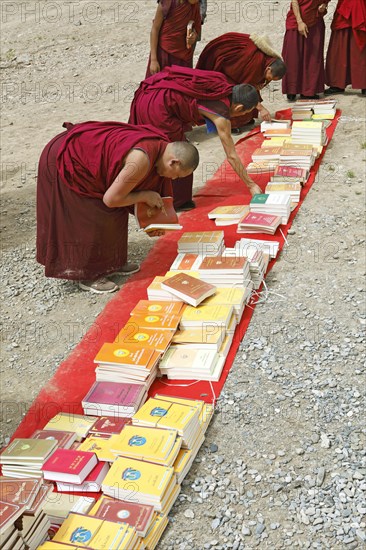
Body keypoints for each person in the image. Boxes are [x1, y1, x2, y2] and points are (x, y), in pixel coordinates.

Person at [36, 121, 199, 294]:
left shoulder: (161, 149)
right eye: (177, 175)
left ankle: (112, 263)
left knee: (115, 214)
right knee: (91, 214)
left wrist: (152, 221)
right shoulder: (141, 160)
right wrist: (145, 195)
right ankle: (88, 274)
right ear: (174, 162)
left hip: (87, 157)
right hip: (66, 159)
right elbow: (111, 199)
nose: (173, 179)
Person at [129, 65, 261, 210]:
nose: (240, 117)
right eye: (243, 113)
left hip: (152, 90)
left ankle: (178, 199)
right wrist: (251, 185)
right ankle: (170, 200)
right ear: (238, 108)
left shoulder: (221, 83)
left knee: (175, 149)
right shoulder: (221, 117)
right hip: (158, 107)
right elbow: (231, 155)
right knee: (172, 152)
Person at [196, 32, 286, 133]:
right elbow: (244, 85)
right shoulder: (255, 63)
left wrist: (257, 84)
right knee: (236, 92)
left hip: (236, 66)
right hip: (222, 63)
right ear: (269, 68)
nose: (268, 81)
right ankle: (232, 124)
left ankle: (244, 120)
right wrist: (261, 108)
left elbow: (251, 81)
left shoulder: (268, 61)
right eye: (270, 78)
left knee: (250, 93)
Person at [282, 0, 331, 101]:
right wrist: (299, 22)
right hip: (296, 21)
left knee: (313, 57)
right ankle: (292, 89)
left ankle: (309, 90)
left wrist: (324, 5)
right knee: (292, 56)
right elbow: (294, 1)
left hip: (315, 20)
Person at [146, 0, 202, 78]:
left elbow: (196, 28)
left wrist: (193, 36)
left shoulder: (195, 5)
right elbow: (155, 30)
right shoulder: (167, 3)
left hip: (183, 56)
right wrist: (154, 60)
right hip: (164, 53)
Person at [325, 0, 366, 95]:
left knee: (360, 50)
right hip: (344, 9)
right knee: (339, 48)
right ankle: (337, 84)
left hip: (360, 7)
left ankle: (364, 84)